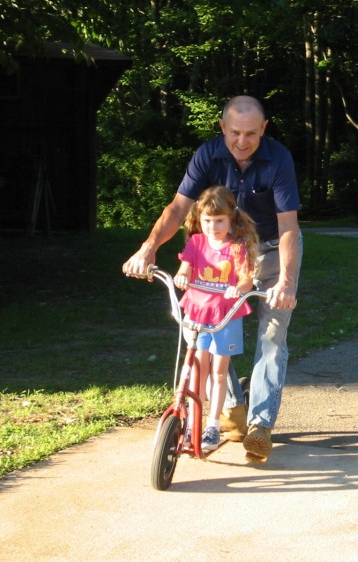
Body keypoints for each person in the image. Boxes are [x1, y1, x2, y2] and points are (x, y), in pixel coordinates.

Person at [123, 95, 302, 463]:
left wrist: (284, 280)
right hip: (221, 255)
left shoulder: (279, 158)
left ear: (263, 129)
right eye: (234, 132)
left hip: (269, 250)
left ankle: (260, 426)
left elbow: (287, 226)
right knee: (209, 326)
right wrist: (148, 248)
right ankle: (233, 408)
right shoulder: (207, 155)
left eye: (251, 133)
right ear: (222, 127)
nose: (242, 141)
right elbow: (177, 208)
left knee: (272, 335)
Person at [173, 186, 259, 451]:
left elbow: (246, 278)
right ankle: (192, 424)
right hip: (198, 313)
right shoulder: (197, 242)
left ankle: (212, 423)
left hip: (225, 315)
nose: (213, 227)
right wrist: (183, 276)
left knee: (219, 372)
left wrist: (239, 288)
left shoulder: (236, 247)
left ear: (231, 218)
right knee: (198, 370)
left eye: (219, 221)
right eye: (207, 221)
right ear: (201, 220)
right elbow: (186, 266)